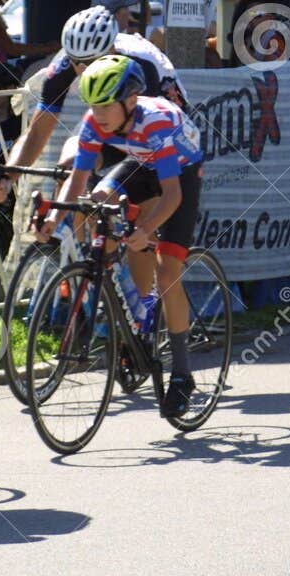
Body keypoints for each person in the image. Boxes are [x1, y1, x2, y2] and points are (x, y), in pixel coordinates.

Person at [34, 55, 205, 417]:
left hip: (181, 173)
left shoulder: (156, 121)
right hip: (140, 162)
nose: (98, 115)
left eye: (105, 106)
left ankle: (182, 374)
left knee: (168, 269)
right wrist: (54, 217)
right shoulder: (96, 123)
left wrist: (145, 230)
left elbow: (171, 194)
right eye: (93, 106)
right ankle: (129, 314)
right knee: (98, 200)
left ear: (130, 101)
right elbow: (77, 181)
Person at [0, 6, 189, 203]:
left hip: (162, 125)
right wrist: (8, 176)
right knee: (68, 166)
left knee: (136, 206)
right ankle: (63, 234)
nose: (84, 69)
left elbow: (148, 139)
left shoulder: (140, 65)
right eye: (77, 61)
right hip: (116, 119)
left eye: (93, 61)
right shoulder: (63, 68)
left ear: (112, 49)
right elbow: (37, 133)